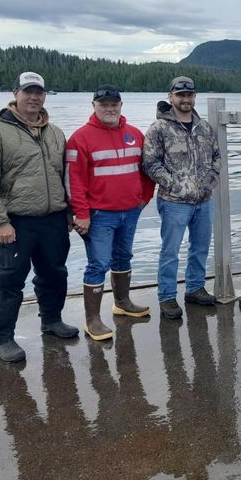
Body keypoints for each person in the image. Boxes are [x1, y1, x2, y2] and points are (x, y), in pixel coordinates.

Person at [0, 72, 78, 362]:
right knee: (8, 280)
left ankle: (52, 320)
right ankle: (4, 337)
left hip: (53, 219)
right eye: (28, 91)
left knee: (55, 273)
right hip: (15, 222)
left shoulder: (55, 132)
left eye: (39, 92)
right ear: (15, 93)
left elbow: (64, 177)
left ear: (45, 96)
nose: (34, 97)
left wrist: (69, 211)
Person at [65, 85, 155, 341]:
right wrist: (80, 213)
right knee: (98, 264)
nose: (109, 108)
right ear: (93, 106)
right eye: (103, 104)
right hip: (99, 215)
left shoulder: (135, 135)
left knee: (123, 257)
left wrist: (144, 198)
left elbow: (147, 171)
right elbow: (74, 181)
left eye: (114, 104)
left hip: (130, 211)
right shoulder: (80, 138)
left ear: (121, 106)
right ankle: (92, 319)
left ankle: (122, 302)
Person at [142, 76, 221, 319]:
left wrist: (210, 181)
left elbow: (216, 157)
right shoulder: (159, 128)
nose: (185, 99)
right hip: (174, 202)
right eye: (180, 95)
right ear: (171, 97)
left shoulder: (204, 127)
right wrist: (173, 184)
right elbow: (150, 163)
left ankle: (195, 288)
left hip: (203, 201)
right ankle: (167, 297)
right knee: (170, 251)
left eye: (189, 95)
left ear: (194, 97)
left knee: (200, 248)